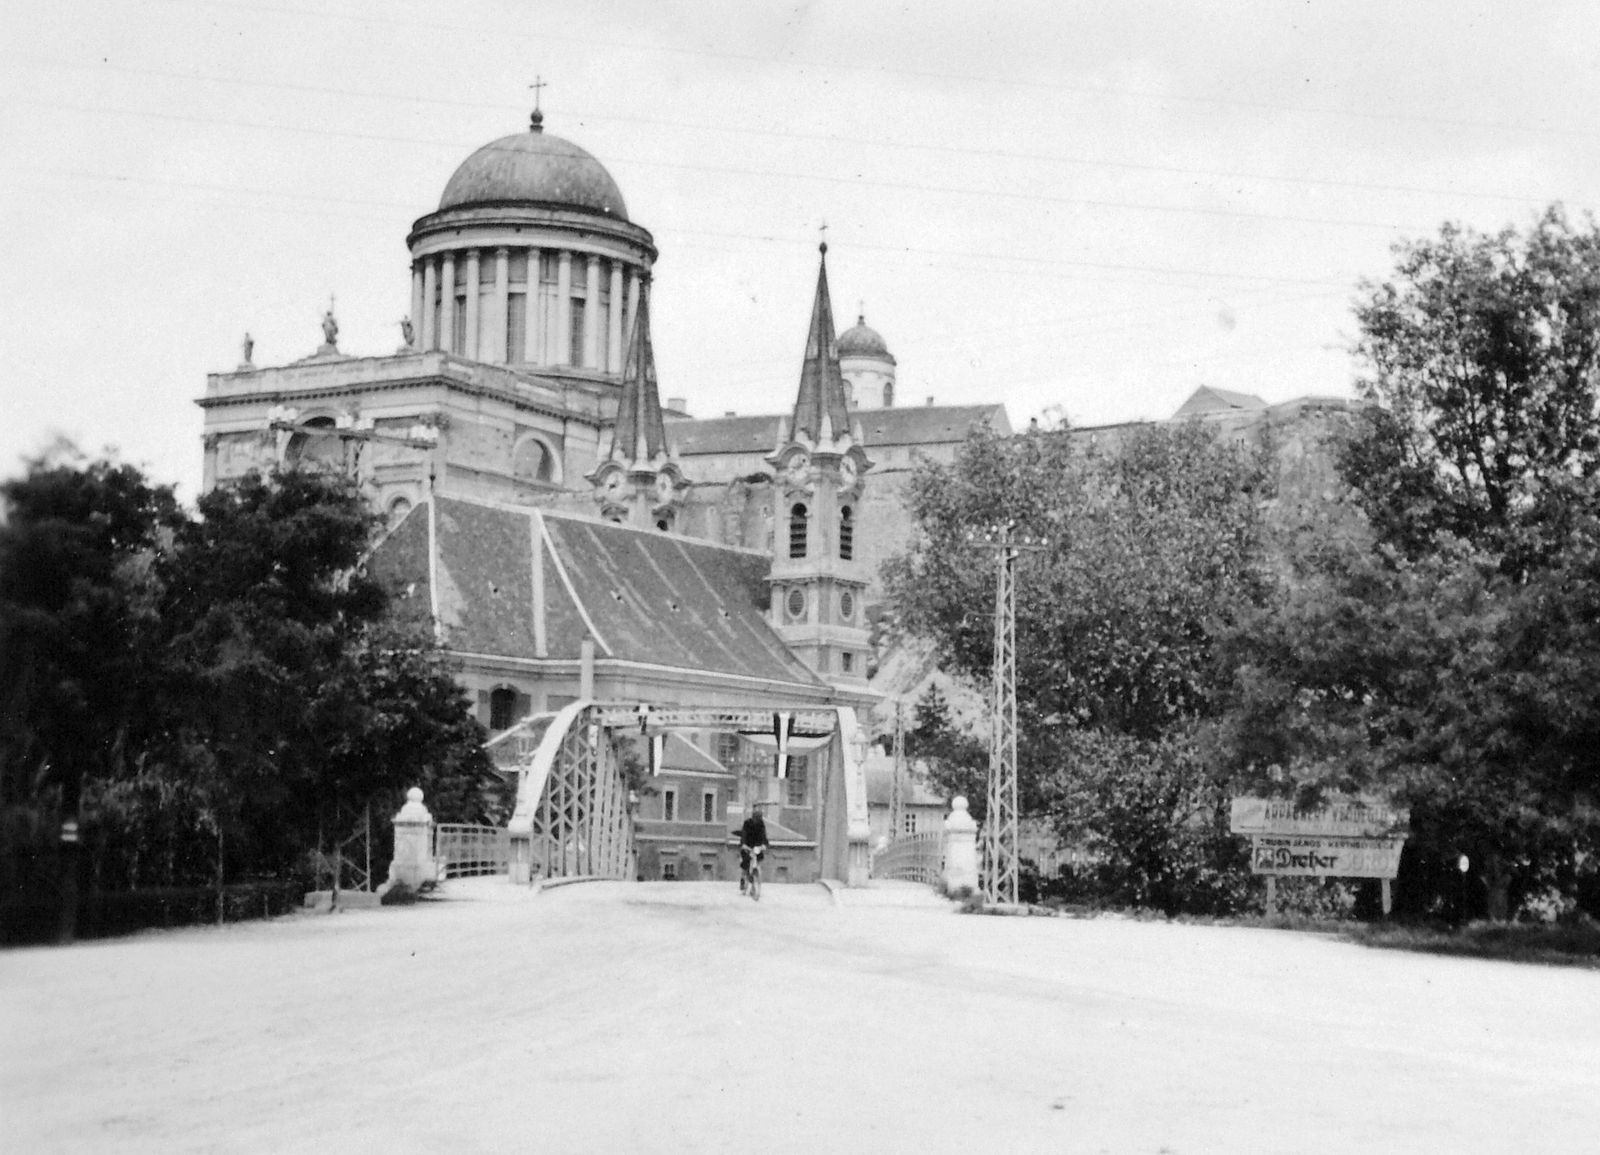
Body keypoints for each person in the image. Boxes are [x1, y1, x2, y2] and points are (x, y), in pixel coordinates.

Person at [737, 804, 769, 892]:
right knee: (745, 862)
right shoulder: (747, 823)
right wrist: (743, 844)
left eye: (759, 818)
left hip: (757, 847)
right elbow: (744, 835)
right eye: (756, 818)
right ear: (753, 817)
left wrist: (764, 845)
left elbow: (764, 836)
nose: (758, 820)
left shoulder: (761, 825)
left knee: (758, 860)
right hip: (747, 845)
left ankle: (755, 880)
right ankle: (743, 879)